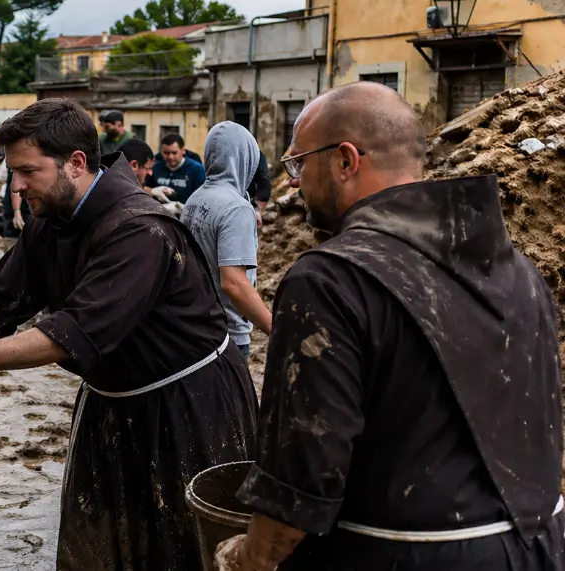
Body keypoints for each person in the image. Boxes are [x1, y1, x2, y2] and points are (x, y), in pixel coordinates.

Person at [0, 98, 257, 570]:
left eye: (26, 171)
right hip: (112, 397)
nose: (15, 186)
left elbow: (72, 331)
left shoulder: (140, 229)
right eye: (11, 172)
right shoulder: (51, 217)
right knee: (100, 542)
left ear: (77, 163)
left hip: (189, 403)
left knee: (178, 547)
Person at [216, 81, 565, 571]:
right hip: (541, 545)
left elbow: (302, 476)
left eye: (299, 164)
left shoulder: (329, 279)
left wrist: (248, 557)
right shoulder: (516, 268)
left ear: (345, 160)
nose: (293, 182)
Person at [182, 123, 272, 358]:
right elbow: (233, 283)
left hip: (196, 324)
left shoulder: (194, 199)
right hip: (228, 333)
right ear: (246, 157)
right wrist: (274, 327)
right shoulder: (237, 207)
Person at [150, 133, 207, 204]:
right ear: (161, 151)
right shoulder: (156, 167)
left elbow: (203, 197)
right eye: (166, 153)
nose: (170, 157)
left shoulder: (197, 170)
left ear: (183, 150)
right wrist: (152, 191)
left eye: (174, 153)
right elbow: (144, 188)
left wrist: (182, 208)